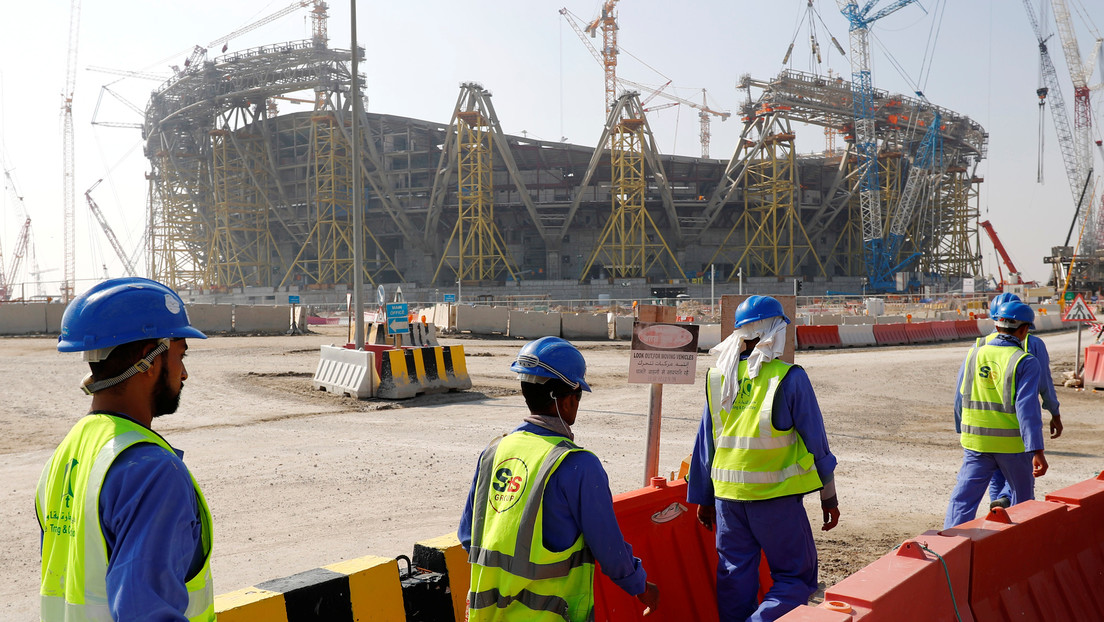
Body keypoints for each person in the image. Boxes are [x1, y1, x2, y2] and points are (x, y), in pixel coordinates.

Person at [36, 277, 214, 621]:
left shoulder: (67, 453)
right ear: (149, 360)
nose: (184, 374)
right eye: (180, 355)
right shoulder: (153, 473)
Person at [458, 336, 659, 620]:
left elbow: (468, 537)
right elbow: (609, 549)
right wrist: (641, 587)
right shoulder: (578, 465)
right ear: (565, 401)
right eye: (578, 396)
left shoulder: (493, 452)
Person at [686, 296, 840, 622]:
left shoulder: (717, 377)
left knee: (734, 578)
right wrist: (829, 497)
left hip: (728, 501)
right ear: (775, 331)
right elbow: (817, 444)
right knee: (795, 578)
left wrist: (704, 498)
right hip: (775, 499)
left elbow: (706, 444)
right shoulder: (789, 377)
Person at [944, 300, 1048, 529]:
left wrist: (962, 430)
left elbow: (960, 397)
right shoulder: (1025, 361)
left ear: (997, 326)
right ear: (1024, 330)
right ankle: (1018, 543)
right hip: (1012, 447)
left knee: (963, 499)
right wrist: (1037, 450)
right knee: (1022, 502)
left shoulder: (974, 354)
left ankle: (950, 541)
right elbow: (1027, 409)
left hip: (976, 443)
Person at [973, 293, 1062, 509]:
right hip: (1017, 426)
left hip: (985, 428)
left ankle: (998, 514)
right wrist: (1054, 412)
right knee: (1021, 476)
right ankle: (1008, 504)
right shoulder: (1033, 343)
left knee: (996, 475)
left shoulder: (981, 345)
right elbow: (1044, 383)